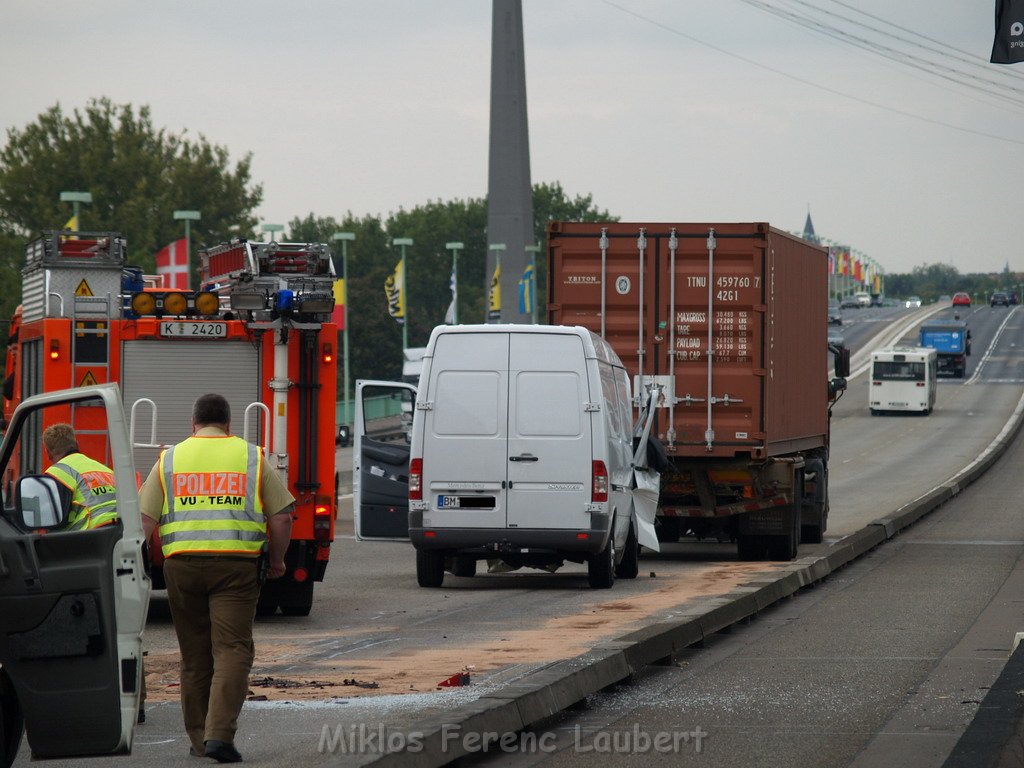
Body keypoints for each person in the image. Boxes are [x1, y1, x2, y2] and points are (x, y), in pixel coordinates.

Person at [140, 393, 293, 763]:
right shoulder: (252, 457)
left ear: (194, 424)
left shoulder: (170, 458)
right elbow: (283, 517)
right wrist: (277, 560)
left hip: (181, 568)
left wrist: (135, 566)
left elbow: (144, 520)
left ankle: (198, 742)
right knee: (233, 650)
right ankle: (219, 737)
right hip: (236, 569)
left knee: (194, 657)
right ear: (228, 425)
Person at [42, 423, 118, 531]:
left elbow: (53, 518)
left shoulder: (56, 473)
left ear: (48, 453)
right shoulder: (106, 470)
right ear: (77, 444)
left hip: (93, 535)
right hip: (123, 529)